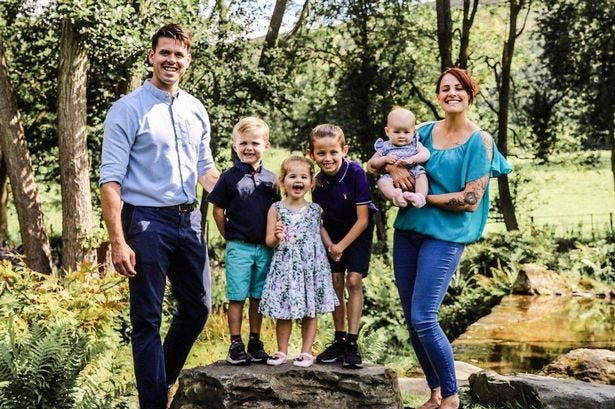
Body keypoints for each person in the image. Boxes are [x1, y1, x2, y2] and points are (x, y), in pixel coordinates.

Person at [99, 24, 220, 409]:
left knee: (199, 306)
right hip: (146, 221)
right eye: (164, 52)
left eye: (178, 54)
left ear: (187, 61)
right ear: (151, 56)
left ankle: (161, 380)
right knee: (147, 319)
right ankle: (153, 403)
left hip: (189, 221)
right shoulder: (127, 109)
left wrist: (244, 202)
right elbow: (110, 181)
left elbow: (207, 170)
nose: (171, 60)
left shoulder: (195, 109)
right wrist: (118, 240)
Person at [389, 68, 512, 409]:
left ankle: (452, 397)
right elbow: (389, 155)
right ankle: (434, 393)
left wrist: (423, 198)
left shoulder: (480, 141)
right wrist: (394, 168)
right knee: (412, 320)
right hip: (408, 232)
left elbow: (470, 200)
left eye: (459, 87)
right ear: (438, 95)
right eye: (445, 88)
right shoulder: (424, 131)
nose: (451, 92)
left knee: (424, 317)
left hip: (445, 238)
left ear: (470, 94)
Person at [207, 117, 280, 365]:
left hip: (265, 248)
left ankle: (255, 341)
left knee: (258, 296)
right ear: (235, 145)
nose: (249, 148)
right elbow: (217, 209)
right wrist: (228, 235)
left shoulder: (272, 179)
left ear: (266, 145)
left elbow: (279, 210)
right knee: (237, 296)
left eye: (255, 143)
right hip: (239, 247)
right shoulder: (228, 177)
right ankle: (236, 343)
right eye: (244, 143)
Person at [308, 124, 378, 368]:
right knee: (336, 282)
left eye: (333, 152)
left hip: (357, 230)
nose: (328, 158)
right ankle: (338, 339)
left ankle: (352, 341)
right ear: (312, 154)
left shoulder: (356, 172)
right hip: (333, 233)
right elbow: (320, 219)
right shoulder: (317, 183)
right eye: (321, 153)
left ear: (344, 150)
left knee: (354, 280)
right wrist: (330, 245)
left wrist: (341, 246)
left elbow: (363, 219)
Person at [259, 155, 338, 368]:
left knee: (310, 309)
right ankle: (282, 351)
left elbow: (321, 231)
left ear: (311, 183)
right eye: (292, 176)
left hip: (311, 267)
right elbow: (269, 241)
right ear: (283, 181)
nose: (298, 181)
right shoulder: (276, 208)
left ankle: (306, 352)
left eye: (303, 177)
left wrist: (332, 247)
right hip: (285, 267)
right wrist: (275, 236)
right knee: (284, 310)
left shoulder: (315, 209)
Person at [367, 107, 430, 208]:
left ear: (413, 132)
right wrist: (384, 159)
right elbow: (372, 164)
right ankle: (396, 196)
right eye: (396, 132)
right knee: (382, 182)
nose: (401, 135)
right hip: (391, 177)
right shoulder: (385, 146)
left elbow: (426, 154)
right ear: (387, 131)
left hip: (414, 170)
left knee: (422, 176)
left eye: (406, 132)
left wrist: (412, 159)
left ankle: (420, 197)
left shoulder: (415, 144)